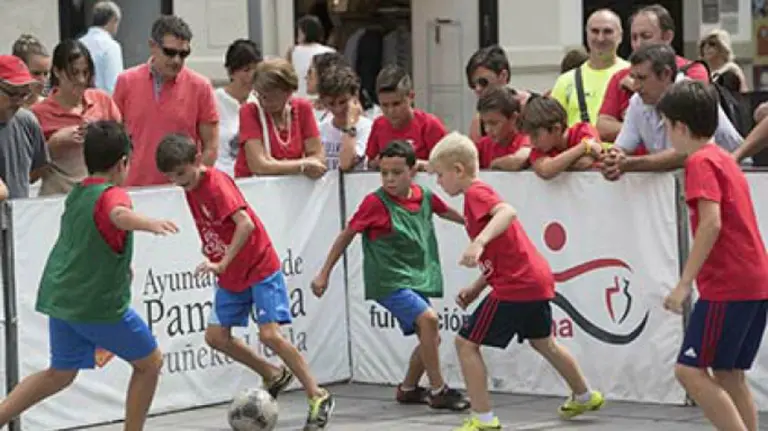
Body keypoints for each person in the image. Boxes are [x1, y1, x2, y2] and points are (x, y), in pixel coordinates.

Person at [0, 120, 177, 430]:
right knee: (150, 364)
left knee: (60, 373)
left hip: (63, 299)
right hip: (95, 306)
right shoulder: (113, 195)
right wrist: (148, 223)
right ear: (124, 162)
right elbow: (117, 214)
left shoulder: (77, 192)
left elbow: (94, 238)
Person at [155, 133, 334, 431]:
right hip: (231, 274)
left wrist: (222, 260)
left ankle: (318, 394)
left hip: (259, 267)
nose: (177, 181)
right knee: (215, 337)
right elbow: (214, 225)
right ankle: (272, 374)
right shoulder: (190, 188)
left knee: (270, 335)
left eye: (181, 174)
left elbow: (245, 224)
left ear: (197, 160)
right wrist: (212, 247)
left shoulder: (216, 184)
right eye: (172, 177)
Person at [428, 132, 604, 431]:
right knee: (543, 342)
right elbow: (503, 253)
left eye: (440, 175)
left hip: (517, 285)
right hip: (533, 280)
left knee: (465, 344)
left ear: (458, 170)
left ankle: (483, 419)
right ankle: (585, 395)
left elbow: (507, 212)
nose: (438, 183)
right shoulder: (474, 198)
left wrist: (478, 241)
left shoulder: (475, 193)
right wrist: (476, 286)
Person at [311, 140, 469, 410]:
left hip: (418, 277)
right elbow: (346, 235)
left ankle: (407, 389)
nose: (389, 179)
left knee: (431, 337)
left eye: (396, 173)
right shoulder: (375, 202)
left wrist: (478, 223)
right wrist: (324, 273)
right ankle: (439, 390)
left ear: (412, 171)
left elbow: (449, 213)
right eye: (384, 173)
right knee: (429, 320)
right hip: (388, 281)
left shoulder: (424, 195)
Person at [659, 80, 768, 431]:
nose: (665, 132)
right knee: (728, 372)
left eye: (666, 124)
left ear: (680, 126)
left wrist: (683, 284)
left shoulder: (700, 163)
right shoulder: (723, 157)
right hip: (754, 279)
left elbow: (711, 224)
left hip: (729, 282)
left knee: (689, 370)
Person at [31, 39, 122, 196]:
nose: (81, 80)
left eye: (85, 73)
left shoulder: (103, 101)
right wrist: (53, 145)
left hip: (99, 196)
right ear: (57, 72)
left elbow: (123, 147)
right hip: (57, 198)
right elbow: (29, 174)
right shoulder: (38, 113)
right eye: (73, 73)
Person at [235, 58, 327, 179]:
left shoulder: (303, 108)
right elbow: (258, 166)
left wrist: (273, 164)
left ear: (288, 91)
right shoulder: (250, 111)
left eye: (271, 96)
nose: (264, 102)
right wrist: (302, 166)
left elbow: (318, 158)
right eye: (260, 95)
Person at [365, 65, 446, 171]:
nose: (391, 111)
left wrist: (420, 165)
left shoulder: (430, 125)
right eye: (384, 105)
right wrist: (376, 163)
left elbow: (448, 165)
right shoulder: (378, 125)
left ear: (411, 97)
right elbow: (369, 163)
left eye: (396, 104)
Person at [518, 96, 604, 180]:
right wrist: (583, 147)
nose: (532, 142)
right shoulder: (537, 150)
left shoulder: (583, 130)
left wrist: (556, 165)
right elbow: (545, 170)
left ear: (556, 129)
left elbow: (586, 161)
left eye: (535, 135)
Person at [214, 39, 262, 177]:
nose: (251, 76)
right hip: (223, 176)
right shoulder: (214, 100)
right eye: (246, 70)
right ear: (231, 72)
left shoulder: (259, 101)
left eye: (255, 69)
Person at [316, 65, 371, 171]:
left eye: (343, 102)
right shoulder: (320, 129)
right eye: (331, 104)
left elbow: (346, 163)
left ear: (355, 96)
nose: (338, 109)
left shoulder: (367, 128)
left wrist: (350, 125)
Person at [474, 86, 531, 170]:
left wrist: (494, 165)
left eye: (493, 123)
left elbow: (518, 160)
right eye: (484, 123)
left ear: (513, 118)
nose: (487, 129)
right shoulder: (484, 144)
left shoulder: (525, 140)